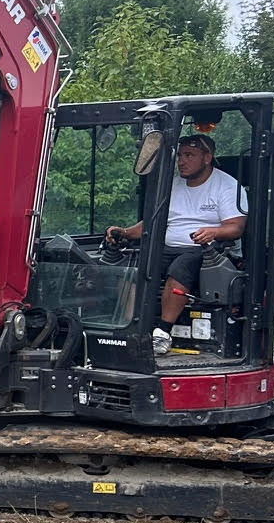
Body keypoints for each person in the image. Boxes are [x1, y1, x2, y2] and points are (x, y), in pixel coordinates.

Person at [105, 125, 246, 356]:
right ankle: (132, 328)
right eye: (180, 155)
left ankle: (162, 332)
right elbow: (152, 221)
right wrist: (126, 232)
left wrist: (213, 232)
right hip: (169, 247)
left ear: (207, 158)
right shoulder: (173, 185)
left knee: (180, 267)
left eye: (189, 155)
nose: (182, 161)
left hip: (208, 251)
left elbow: (235, 227)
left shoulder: (228, 186)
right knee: (133, 268)